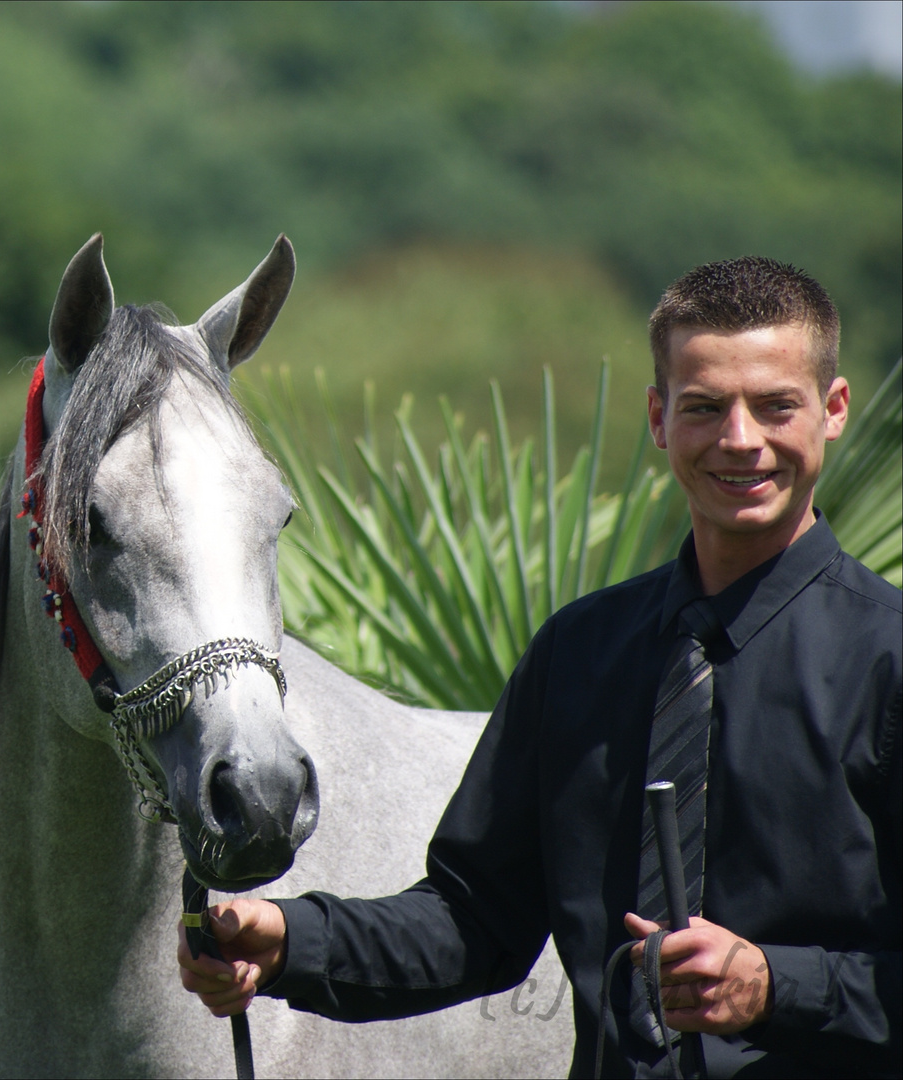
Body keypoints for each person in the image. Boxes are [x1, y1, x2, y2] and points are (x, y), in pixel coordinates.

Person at [177, 257, 901, 1077]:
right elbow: (474, 924)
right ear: (660, 418)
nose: (741, 440)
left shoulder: (890, 662)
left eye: (776, 406)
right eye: (705, 407)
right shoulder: (577, 655)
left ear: (832, 410)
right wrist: (288, 943)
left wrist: (778, 985)